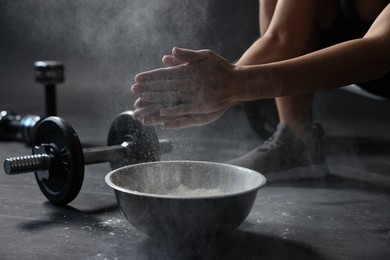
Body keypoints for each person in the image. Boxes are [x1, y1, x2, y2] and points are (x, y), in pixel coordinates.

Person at [130, 0, 390, 181]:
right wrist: (212, 89)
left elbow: (379, 55)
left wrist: (232, 86)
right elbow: (280, 38)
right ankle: (297, 144)